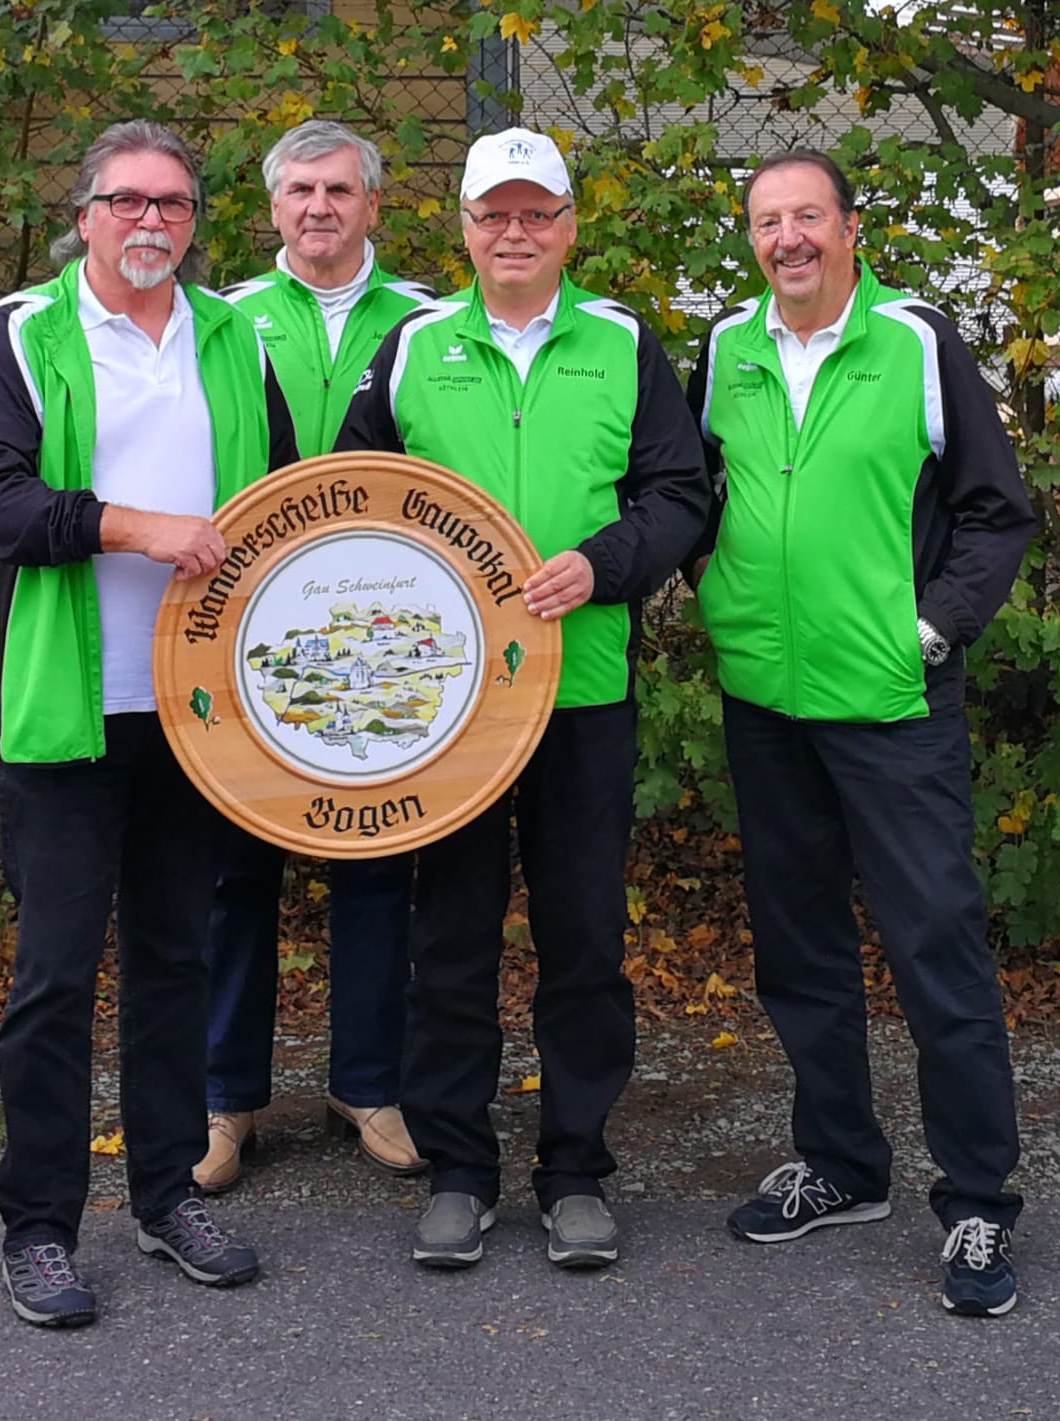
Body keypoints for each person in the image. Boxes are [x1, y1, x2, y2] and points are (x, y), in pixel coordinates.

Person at [0, 119, 298, 1327]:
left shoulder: (233, 337)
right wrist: (136, 527)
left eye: (174, 203)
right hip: (72, 708)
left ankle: (165, 1195)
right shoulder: (21, 332)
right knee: (53, 977)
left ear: (195, 222)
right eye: (129, 200)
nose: (152, 220)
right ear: (85, 214)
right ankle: (39, 1225)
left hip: (194, 712)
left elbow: (279, 503)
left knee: (175, 963)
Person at [336, 128, 710, 1270]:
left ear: (568, 226)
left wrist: (603, 563)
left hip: (581, 691)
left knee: (583, 937)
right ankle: (459, 1168)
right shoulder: (415, 344)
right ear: (462, 227)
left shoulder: (623, 342)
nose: (514, 232)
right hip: (445, 706)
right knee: (449, 938)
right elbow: (351, 500)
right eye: (493, 213)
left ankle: (574, 1168)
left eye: (535, 212)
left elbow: (680, 494)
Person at [686, 149, 1035, 1317]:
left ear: (847, 227)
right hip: (765, 697)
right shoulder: (726, 347)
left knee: (934, 943)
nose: (786, 237)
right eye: (766, 220)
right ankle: (840, 1162)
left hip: (890, 698)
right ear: (751, 238)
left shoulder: (915, 341)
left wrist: (931, 629)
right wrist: (717, 593)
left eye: (807, 216)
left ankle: (979, 1198)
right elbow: (691, 492)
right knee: (798, 947)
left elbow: (995, 510)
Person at [195, 121, 434, 1192]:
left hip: (383, 637)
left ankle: (369, 1085)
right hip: (245, 636)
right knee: (231, 871)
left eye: (339, 189)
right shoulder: (220, 322)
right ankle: (224, 1097)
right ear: (272, 206)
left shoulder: (429, 321)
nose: (319, 207)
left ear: (374, 204)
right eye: (299, 189)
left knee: (378, 862)